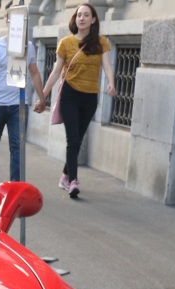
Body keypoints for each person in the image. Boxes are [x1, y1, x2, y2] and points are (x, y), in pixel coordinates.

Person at [41, 3, 115, 199]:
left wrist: (111, 83)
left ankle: (65, 176)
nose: (81, 18)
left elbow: (107, 65)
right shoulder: (65, 43)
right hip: (69, 95)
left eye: (86, 15)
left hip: (90, 97)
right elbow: (56, 71)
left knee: (77, 139)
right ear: (75, 20)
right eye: (78, 15)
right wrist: (43, 95)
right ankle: (73, 181)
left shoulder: (101, 43)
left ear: (93, 20)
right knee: (72, 139)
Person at [0, 24, 46, 193]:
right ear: (8, 22)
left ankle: (15, 185)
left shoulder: (28, 47)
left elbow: (34, 72)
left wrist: (42, 98)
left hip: (18, 105)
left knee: (18, 145)